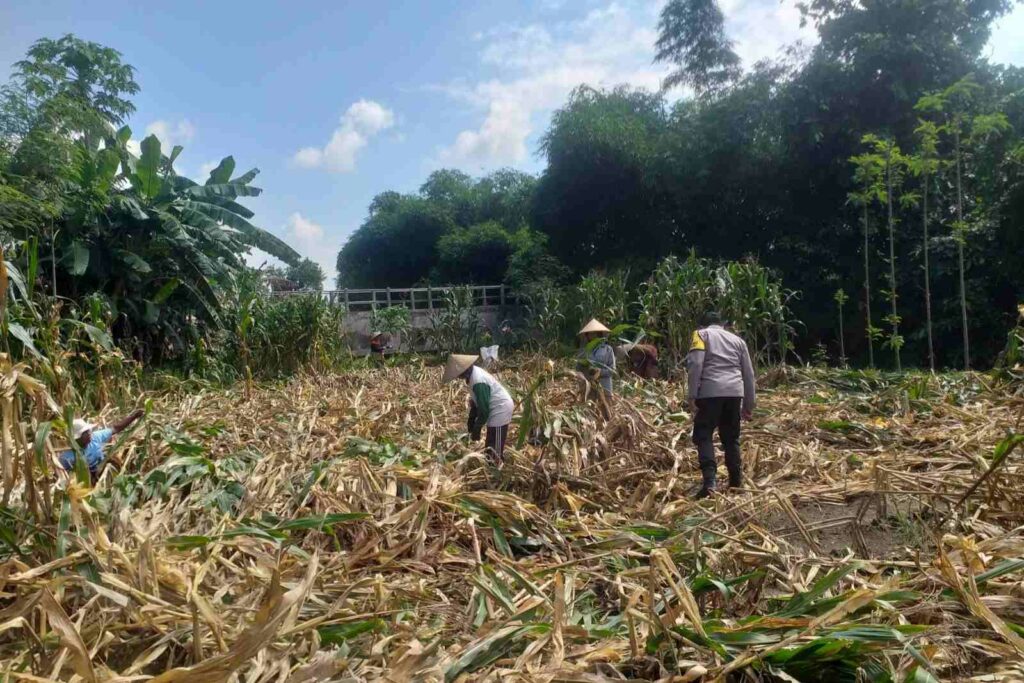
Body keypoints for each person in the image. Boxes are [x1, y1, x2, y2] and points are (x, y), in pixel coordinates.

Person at [686, 312, 756, 498]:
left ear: (703, 324)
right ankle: (736, 482)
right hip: (734, 393)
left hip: (710, 392)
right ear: (722, 324)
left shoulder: (700, 335)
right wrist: (749, 404)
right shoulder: (738, 341)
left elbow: (695, 364)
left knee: (703, 434)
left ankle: (710, 483)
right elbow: (749, 374)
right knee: (731, 438)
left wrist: (692, 395)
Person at [442, 354, 514, 463]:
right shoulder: (473, 375)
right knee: (490, 440)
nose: (458, 377)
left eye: (458, 375)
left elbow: (484, 410)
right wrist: (471, 420)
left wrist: (477, 427)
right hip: (494, 407)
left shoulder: (478, 380)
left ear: (463, 372)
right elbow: (476, 402)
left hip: (501, 407)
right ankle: (490, 464)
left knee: (496, 445)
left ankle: (497, 469)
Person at [59, 409, 144, 478]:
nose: (89, 433)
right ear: (77, 438)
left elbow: (116, 428)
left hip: (104, 474)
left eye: (89, 431)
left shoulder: (95, 437)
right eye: (85, 432)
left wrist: (134, 416)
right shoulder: (66, 458)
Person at [577, 319, 616, 395]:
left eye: (594, 334)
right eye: (590, 334)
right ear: (587, 336)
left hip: (605, 387)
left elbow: (612, 370)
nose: (592, 336)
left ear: (599, 334)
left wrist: (599, 372)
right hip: (588, 388)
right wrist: (587, 371)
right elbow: (578, 369)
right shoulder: (584, 351)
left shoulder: (607, 349)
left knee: (605, 406)